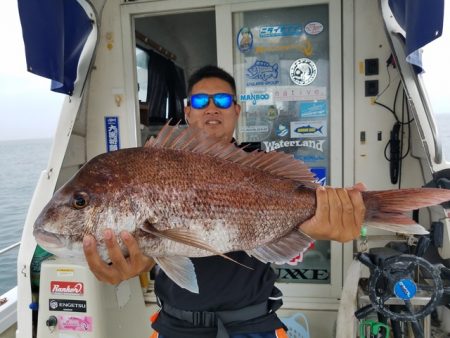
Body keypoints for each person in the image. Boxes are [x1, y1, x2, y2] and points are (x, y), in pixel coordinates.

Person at [83, 65, 366, 338]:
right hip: (176, 325)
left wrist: (328, 224)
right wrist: (133, 261)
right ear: (187, 111)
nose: (211, 107)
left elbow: (301, 224)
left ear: (237, 110)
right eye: (200, 100)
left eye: (222, 99)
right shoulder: (157, 163)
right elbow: (154, 251)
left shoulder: (258, 164)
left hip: (253, 323)